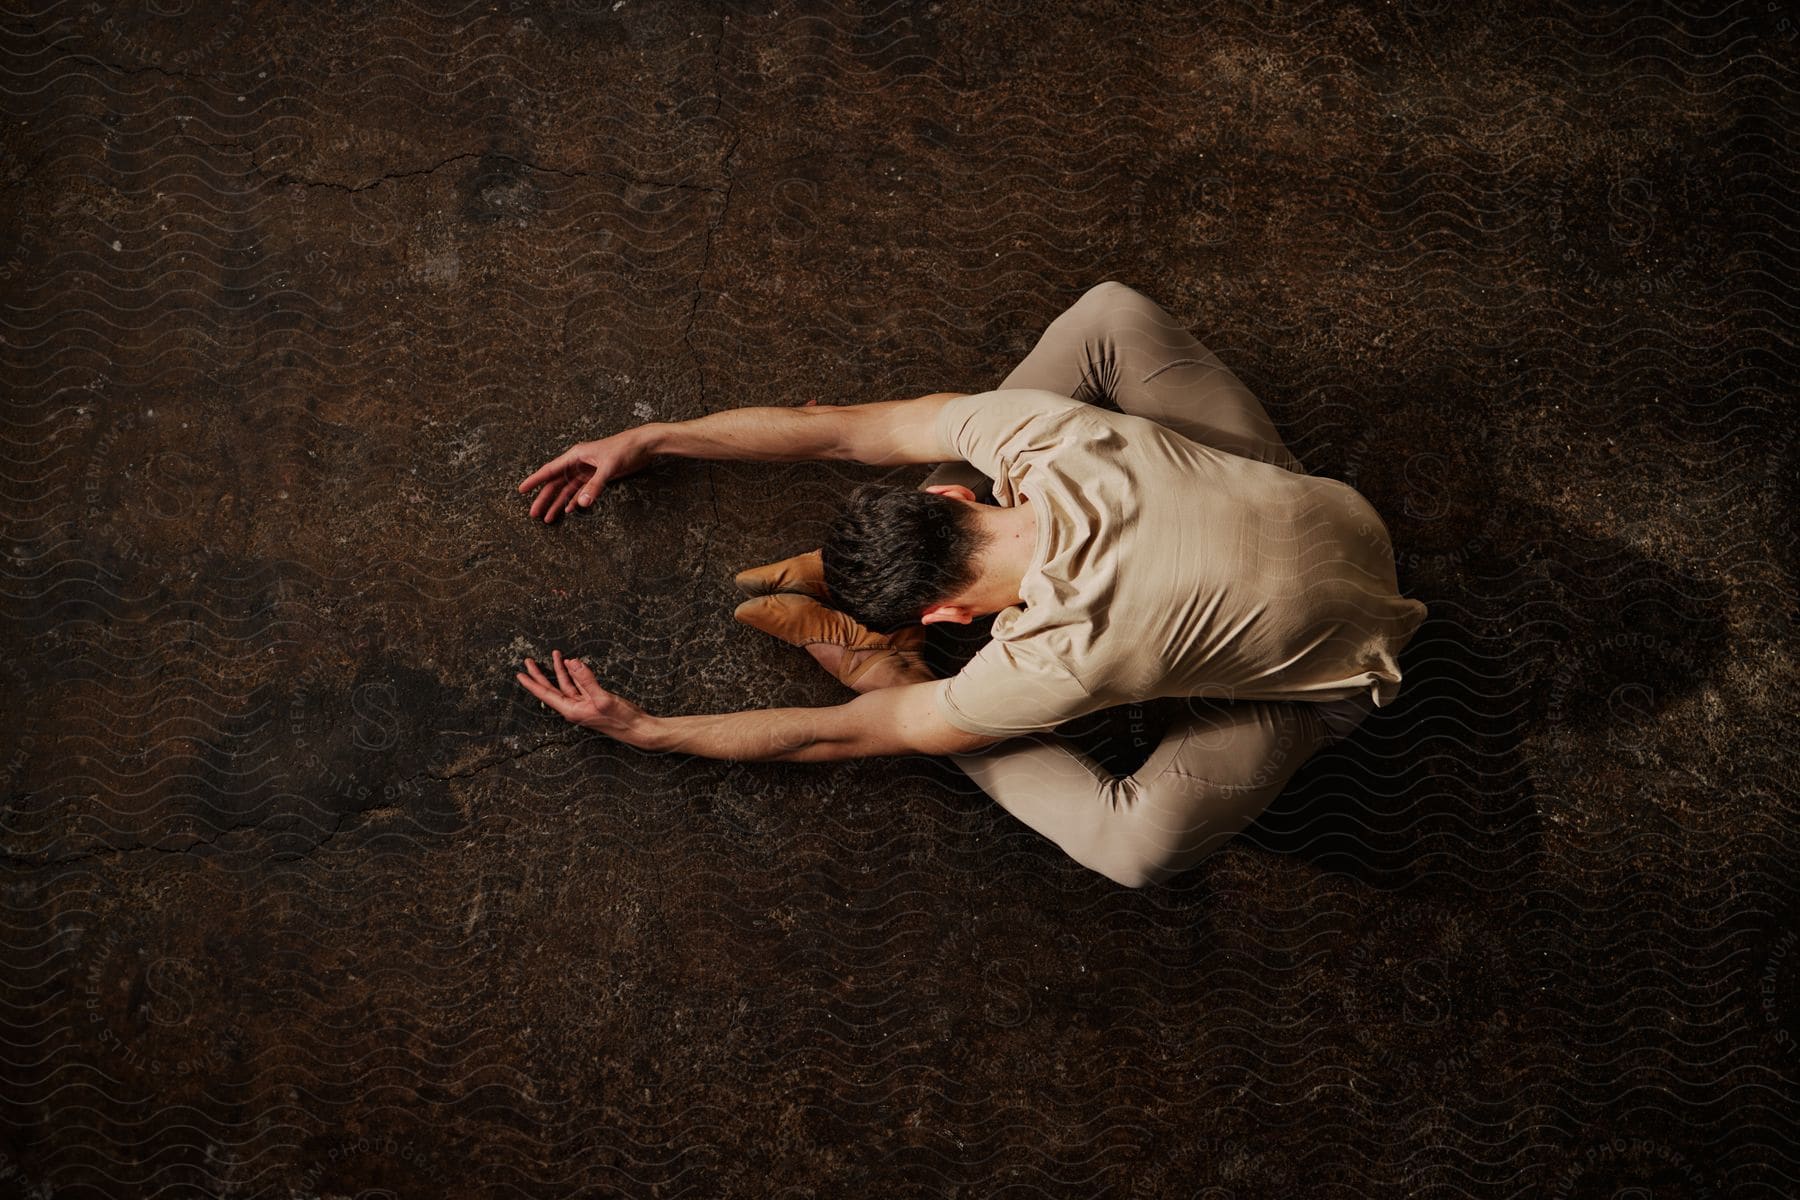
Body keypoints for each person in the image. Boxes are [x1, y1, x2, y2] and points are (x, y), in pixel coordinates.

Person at [514, 281, 1427, 888]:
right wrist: (650, 437)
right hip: (1336, 517)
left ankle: (887, 658)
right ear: (954, 492)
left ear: (949, 615)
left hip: (1338, 674)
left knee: (1132, 847)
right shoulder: (1033, 433)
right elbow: (833, 430)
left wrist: (649, 730)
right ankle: (861, 573)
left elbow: (837, 740)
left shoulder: (1048, 665)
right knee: (1108, 314)